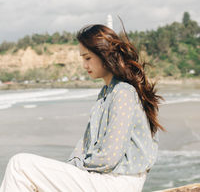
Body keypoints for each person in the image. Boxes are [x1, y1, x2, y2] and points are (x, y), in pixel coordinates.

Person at [0, 24, 164, 192]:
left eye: (87, 58)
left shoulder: (123, 92)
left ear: (104, 55)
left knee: (19, 165)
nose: (84, 65)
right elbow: (83, 147)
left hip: (118, 183)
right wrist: (69, 170)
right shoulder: (106, 94)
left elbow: (109, 157)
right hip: (104, 179)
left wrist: (77, 169)